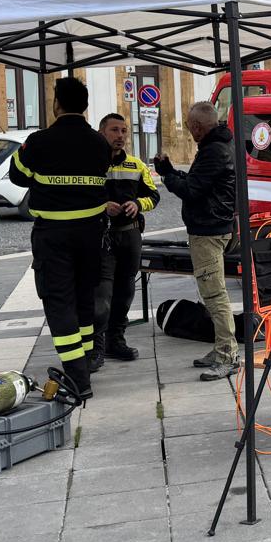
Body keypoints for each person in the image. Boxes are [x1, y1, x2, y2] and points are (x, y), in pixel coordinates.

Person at [8, 76, 111, 399]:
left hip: (53, 236)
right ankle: (84, 362)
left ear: (56, 104)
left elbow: (17, 175)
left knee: (59, 303)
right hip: (91, 234)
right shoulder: (100, 143)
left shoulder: (39, 142)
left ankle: (78, 379)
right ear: (86, 105)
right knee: (83, 300)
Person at [155, 101, 240, 381]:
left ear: (197, 127)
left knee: (214, 295)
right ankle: (221, 349)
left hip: (208, 231)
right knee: (213, 293)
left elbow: (191, 190)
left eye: (190, 126)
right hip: (216, 226)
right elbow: (199, 182)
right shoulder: (220, 145)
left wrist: (167, 174)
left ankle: (228, 356)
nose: (190, 130)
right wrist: (172, 170)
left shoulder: (213, 150)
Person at [92, 112, 159, 369]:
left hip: (130, 235)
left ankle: (116, 341)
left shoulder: (136, 165)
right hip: (101, 237)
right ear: (102, 133)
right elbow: (80, 196)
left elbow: (154, 196)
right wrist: (102, 207)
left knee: (125, 292)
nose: (120, 136)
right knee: (102, 295)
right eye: (114, 130)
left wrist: (137, 204)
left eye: (124, 131)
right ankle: (96, 348)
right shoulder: (90, 165)